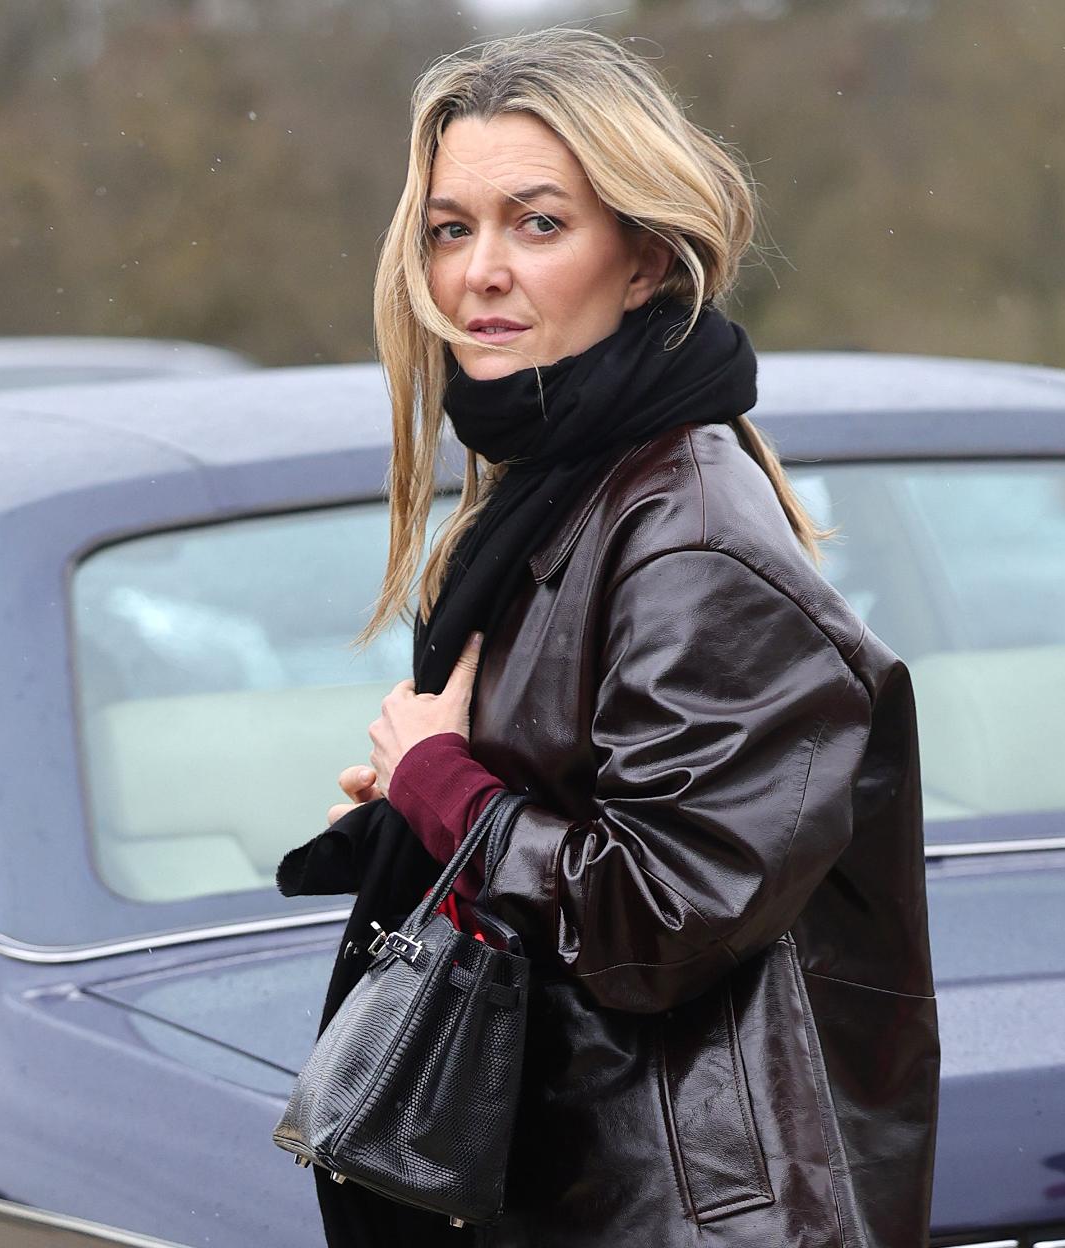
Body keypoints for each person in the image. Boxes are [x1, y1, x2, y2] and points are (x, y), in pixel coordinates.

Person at [276, 27, 940, 1248]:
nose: (479, 271)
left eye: (537, 224)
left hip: (679, 1211)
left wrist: (452, 791)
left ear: (641, 262)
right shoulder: (565, 489)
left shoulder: (683, 533)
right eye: (448, 228)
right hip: (580, 1180)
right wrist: (424, 816)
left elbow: (664, 918)